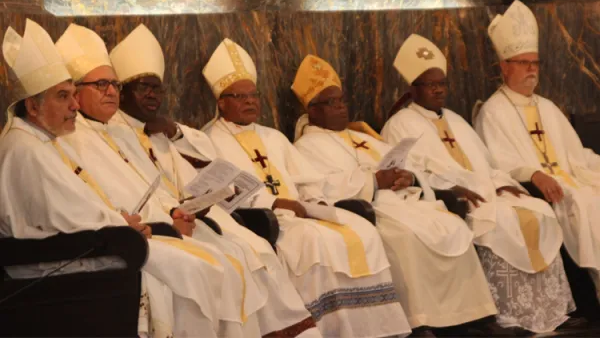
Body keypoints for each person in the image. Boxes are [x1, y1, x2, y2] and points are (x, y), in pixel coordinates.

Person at [0, 19, 228, 338]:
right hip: (55, 261)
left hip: (87, 242)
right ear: (32, 105)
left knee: (201, 260)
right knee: (191, 267)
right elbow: (63, 220)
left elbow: (72, 211)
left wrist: (121, 221)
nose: (74, 105)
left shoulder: (39, 139)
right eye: (63, 96)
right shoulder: (23, 149)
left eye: (72, 95)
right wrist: (125, 227)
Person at [172, 38, 412, 338]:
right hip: (268, 220)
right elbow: (223, 190)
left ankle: (375, 330)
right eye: (240, 96)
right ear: (221, 102)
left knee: (363, 230)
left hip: (303, 211)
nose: (250, 102)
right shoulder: (209, 140)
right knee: (311, 241)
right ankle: (329, 330)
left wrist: (311, 201)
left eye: (253, 95)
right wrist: (278, 204)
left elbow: (308, 180)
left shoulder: (273, 136)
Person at [104, 23, 320, 337]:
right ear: (122, 91)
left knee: (255, 250)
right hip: (163, 224)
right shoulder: (115, 132)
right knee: (229, 262)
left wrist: (174, 132)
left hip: (192, 216)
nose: (152, 95)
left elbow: (202, 160)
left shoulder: (158, 128)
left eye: (157, 87)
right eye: (142, 87)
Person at [292, 55, 501, 334]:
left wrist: (408, 177)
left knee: (452, 224)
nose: (341, 107)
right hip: (373, 209)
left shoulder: (362, 136)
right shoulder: (307, 146)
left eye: (342, 100)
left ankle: (473, 316)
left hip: (403, 201)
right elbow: (322, 190)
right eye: (332, 102)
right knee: (404, 238)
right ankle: (421, 320)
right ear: (312, 110)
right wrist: (374, 181)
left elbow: (406, 166)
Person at [381, 34, 575, 333]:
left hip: (487, 190)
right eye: (430, 84)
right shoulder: (400, 125)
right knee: (501, 220)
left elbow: (487, 163)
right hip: (453, 199)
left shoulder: (457, 120)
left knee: (538, 209)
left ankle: (545, 307)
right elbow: (411, 174)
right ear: (412, 89)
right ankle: (504, 313)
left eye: (442, 84)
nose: (438, 90)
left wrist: (500, 182)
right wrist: (453, 190)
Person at [475, 0, 600, 300]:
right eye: (523, 63)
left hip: (570, 178)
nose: (532, 70)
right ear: (505, 67)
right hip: (543, 188)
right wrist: (533, 174)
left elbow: (577, 154)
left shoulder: (547, 106)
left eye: (535, 62)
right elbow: (496, 161)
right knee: (586, 204)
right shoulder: (493, 111)